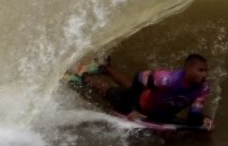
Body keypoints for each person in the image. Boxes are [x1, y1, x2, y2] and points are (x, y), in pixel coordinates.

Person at [68, 54, 215, 130]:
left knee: (134, 89)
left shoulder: (203, 88)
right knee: (110, 92)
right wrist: (134, 109)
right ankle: (80, 76)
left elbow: (193, 117)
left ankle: (105, 68)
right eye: (200, 70)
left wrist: (205, 119)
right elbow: (138, 79)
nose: (205, 75)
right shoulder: (165, 79)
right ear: (188, 69)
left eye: (206, 70)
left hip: (155, 110)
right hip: (138, 103)